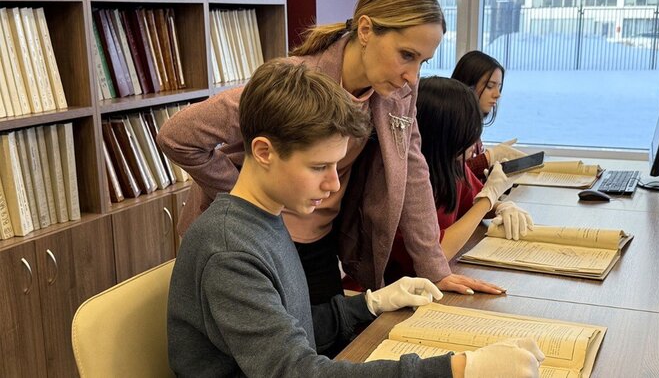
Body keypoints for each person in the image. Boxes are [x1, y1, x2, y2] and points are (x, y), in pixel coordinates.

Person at [167, 60, 544, 377]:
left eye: (336, 166)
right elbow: (296, 371)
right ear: (264, 152)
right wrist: (457, 369)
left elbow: (290, 328)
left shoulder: (266, 217)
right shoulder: (231, 251)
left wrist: (369, 304)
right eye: (319, 167)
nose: (333, 184)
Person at [157, 0, 496, 305]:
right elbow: (177, 136)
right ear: (366, 30)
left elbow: (412, 170)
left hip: (318, 239)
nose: (413, 76)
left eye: (423, 61)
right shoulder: (296, 83)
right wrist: (248, 196)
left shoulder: (398, 91)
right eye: (406, 55)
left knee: (335, 334)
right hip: (252, 237)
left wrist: (435, 269)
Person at [385, 77, 533, 286]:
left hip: (427, 284)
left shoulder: (452, 166)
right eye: (466, 134)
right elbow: (436, 255)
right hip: (391, 289)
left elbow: (473, 204)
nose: (474, 143)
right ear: (444, 134)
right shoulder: (405, 182)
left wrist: (501, 206)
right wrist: (488, 199)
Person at [451, 51, 527, 181]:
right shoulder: (451, 125)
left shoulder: (473, 124)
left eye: (499, 87)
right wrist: (488, 158)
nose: (497, 94)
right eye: (490, 86)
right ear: (467, 85)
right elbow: (454, 176)